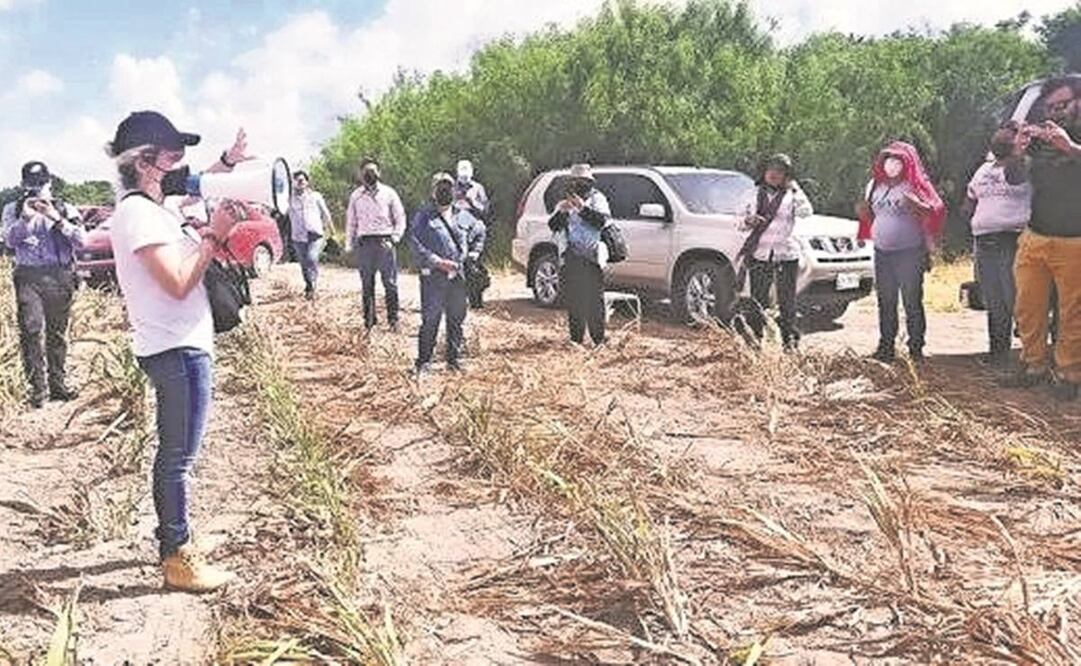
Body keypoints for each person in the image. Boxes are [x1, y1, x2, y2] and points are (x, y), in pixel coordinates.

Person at [106, 110, 248, 592]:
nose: (180, 164)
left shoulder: (151, 208)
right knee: (177, 458)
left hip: (178, 345)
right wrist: (214, 236)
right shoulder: (137, 215)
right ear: (146, 162)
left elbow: (197, 185)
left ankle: (177, 540)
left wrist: (228, 163)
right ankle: (176, 556)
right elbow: (178, 283)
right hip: (176, 350)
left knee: (177, 454)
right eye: (172, 155)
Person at [1003, 76, 1081, 400]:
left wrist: (1070, 147)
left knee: (1072, 312)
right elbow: (1013, 179)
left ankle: (1068, 374)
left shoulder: (1069, 137)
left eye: (1062, 105)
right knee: (1026, 307)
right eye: (1050, 108)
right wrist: (1017, 152)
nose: (1056, 113)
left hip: (1074, 240)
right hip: (1035, 235)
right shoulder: (1040, 138)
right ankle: (1032, 365)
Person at [1, 161, 85, 408]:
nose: (36, 191)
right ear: (23, 185)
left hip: (59, 275)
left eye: (40, 185)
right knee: (31, 330)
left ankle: (58, 385)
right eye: (31, 186)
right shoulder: (12, 209)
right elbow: (9, 240)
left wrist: (56, 218)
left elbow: (82, 240)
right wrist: (25, 219)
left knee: (57, 334)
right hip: (28, 276)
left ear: (49, 183)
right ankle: (37, 390)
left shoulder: (64, 207)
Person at [857, 141, 946, 363]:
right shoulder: (874, 186)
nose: (891, 164)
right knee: (885, 300)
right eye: (888, 158)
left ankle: (916, 348)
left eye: (897, 159)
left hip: (909, 252)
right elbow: (869, 214)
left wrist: (919, 206)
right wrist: (862, 215)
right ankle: (886, 346)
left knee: (911, 300)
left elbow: (936, 210)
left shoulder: (916, 184)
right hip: (882, 252)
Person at [961, 123, 1031, 367]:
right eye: (1001, 131)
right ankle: (997, 352)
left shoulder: (1024, 166)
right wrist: (973, 217)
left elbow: (1018, 176)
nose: (1000, 136)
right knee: (994, 300)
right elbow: (970, 198)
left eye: (1009, 133)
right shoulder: (983, 169)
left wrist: (1020, 151)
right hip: (984, 241)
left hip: (1012, 239)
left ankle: (1031, 357)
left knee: (1017, 299)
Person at [739, 154, 813, 351]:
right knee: (758, 301)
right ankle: (754, 342)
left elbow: (806, 212)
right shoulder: (754, 193)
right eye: (770, 169)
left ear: (786, 175)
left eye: (779, 171)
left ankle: (790, 344)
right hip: (760, 254)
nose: (773, 174)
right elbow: (739, 220)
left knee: (787, 302)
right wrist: (749, 221)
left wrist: (794, 189)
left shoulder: (792, 194)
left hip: (786, 254)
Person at [408, 173, 469, 373]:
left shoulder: (461, 213)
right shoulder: (423, 216)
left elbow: (476, 232)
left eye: (449, 186)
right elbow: (415, 243)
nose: (445, 190)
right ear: (433, 191)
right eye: (441, 187)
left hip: (457, 277)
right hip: (434, 276)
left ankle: (453, 360)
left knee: (456, 319)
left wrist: (468, 256)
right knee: (430, 319)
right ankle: (424, 362)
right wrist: (437, 262)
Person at [548, 163, 612, 346]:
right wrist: (563, 212)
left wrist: (582, 208)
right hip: (572, 255)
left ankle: (598, 339)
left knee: (594, 300)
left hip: (592, 255)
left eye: (583, 181)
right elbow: (553, 225)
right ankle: (576, 339)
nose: (580, 184)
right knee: (574, 299)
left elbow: (601, 222)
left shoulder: (597, 199)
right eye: (576, 181)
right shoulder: (564, 201)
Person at [345, 158, 406, 331]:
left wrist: (395, 237)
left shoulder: (389, 193)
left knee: (390, 283)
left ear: (379, 172)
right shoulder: (356, 196)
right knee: (367, 284)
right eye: (366, 171)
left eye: (373, 170)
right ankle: (369, 321)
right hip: (365, 244)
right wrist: (349, 245)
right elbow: (351, 222)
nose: (370, 174)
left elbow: (400, 218)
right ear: (361, 175)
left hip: (385, 242)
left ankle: (393, 320)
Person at [288, 170, 332, 299]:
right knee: (303, 263)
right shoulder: (289, 198)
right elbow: (281, 208)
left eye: (303, 180)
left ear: (307, 182)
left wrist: (331, 230)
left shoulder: (316, 196)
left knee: (311, 258)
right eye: (297, 180)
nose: (300, 182)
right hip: (298, 236)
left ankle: (312, 283)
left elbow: (325, 213)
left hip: (315, 234)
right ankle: (308, 285)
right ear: (293, 183)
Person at [453, 160, 490, 309]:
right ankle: (456, 301)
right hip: (455, 230)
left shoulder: (478, 188)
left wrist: (472, 202)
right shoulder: (451, 187)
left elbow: (486, 211)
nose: (464, 184)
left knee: (474, 266)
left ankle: (476, 301)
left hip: (474, 229)